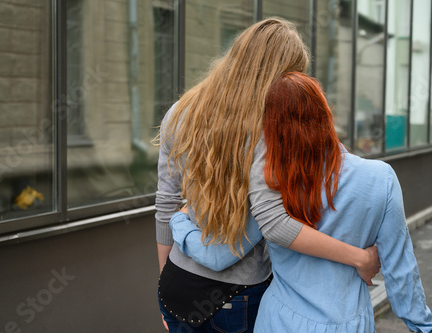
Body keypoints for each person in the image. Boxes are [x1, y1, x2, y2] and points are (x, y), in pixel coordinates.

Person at [155, 18, 380, 333]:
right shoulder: (269, 129)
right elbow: (275, 223)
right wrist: (360, 258)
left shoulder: (178, 112)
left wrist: (165, 280)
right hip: (237, 298)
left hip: (177, 284)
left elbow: (166, 203)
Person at [169, 72, 432, 332]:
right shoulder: (381, 178)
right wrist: (423, 327)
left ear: (271, 129)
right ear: (325, 114)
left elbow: (219, 256)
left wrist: (179, 221)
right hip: (349, 323)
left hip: (280, 321)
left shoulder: (273, 186)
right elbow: (401, 269)